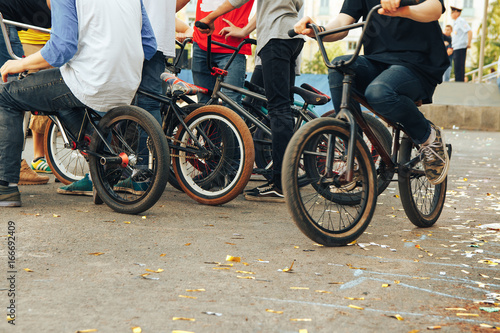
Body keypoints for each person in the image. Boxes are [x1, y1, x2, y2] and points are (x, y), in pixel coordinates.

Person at [0, 0, 156, 207]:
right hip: (128, 81)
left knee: (6, 97)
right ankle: (103, 168)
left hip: (89, 79)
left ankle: (5, 185)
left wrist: (19, 64)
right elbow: (149, 45)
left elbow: (61, 49)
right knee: (60, 98)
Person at [294, 0, 450, 186]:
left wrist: (403, 10)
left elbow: (435, 9)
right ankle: (355, 152)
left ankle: (428, 136)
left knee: (378, 92)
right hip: (377, 61)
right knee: (339, 66)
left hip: (417, 63)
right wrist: (318, 30)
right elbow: (343, 23)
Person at [57, 0, 190, 197]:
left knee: (105, 101)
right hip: (158, 34)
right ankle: (143, 174)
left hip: (129, 33)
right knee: (149, 104)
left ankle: (102, 174)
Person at [198, 0, 305, 202]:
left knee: (278, 110)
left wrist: (209, 17)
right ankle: (283, 181)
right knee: (282, 109)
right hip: (291, 35)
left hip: (275, 37)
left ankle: (281, 185)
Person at [0, 0, 52, 185]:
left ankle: (11, 166)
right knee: (9, 94)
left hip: (8, 21)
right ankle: (11, 167)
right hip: (4, 21)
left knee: (10, 90)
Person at [191, 0, 255, 108]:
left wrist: (245, 30)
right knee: (203, 106)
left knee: (231, 104)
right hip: (201, 43)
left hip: (232, 47)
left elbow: (268, 4)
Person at [450, 4, 471, 82]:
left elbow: (469, 31)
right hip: (456, 47)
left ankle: (460, 83)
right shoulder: (456, 22)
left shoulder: (461, 21)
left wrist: (468, 43)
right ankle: (458, 82)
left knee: (460, 66)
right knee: (457, 67)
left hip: (461, 47)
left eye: (452, 12)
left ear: (457, 13)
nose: (451, 14)